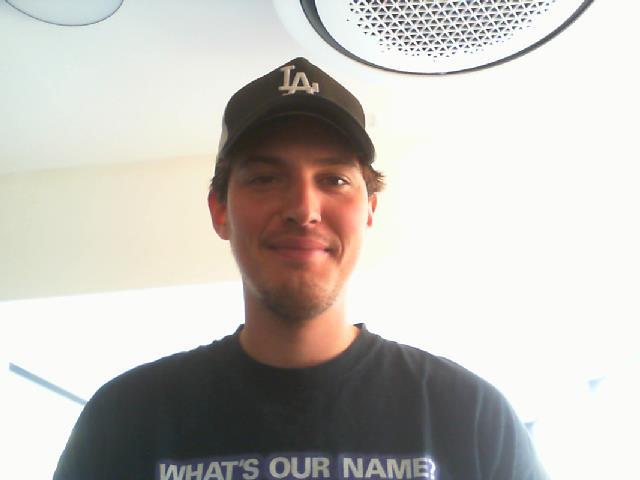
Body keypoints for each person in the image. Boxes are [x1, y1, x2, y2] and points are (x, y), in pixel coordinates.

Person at [53, 57, 548, 480]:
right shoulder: (125, 419)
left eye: (333, 179)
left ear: (370, 210)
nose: (303, 209)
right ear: (220, 211)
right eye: (266, 178)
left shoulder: (471, 416)